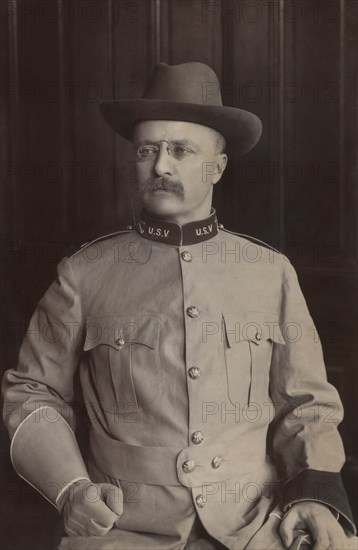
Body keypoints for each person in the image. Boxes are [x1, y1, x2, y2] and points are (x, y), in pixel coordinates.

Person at [2, 62, 357, 550]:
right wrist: (71, 491)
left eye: (180, 150)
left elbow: (309, 405)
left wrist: (315, 497)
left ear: (218, 166)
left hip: (256, 525)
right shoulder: (84, 273)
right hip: (123, 530)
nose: (160, 166)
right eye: (147, 150)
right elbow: (31, 393)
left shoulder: (269, 271)